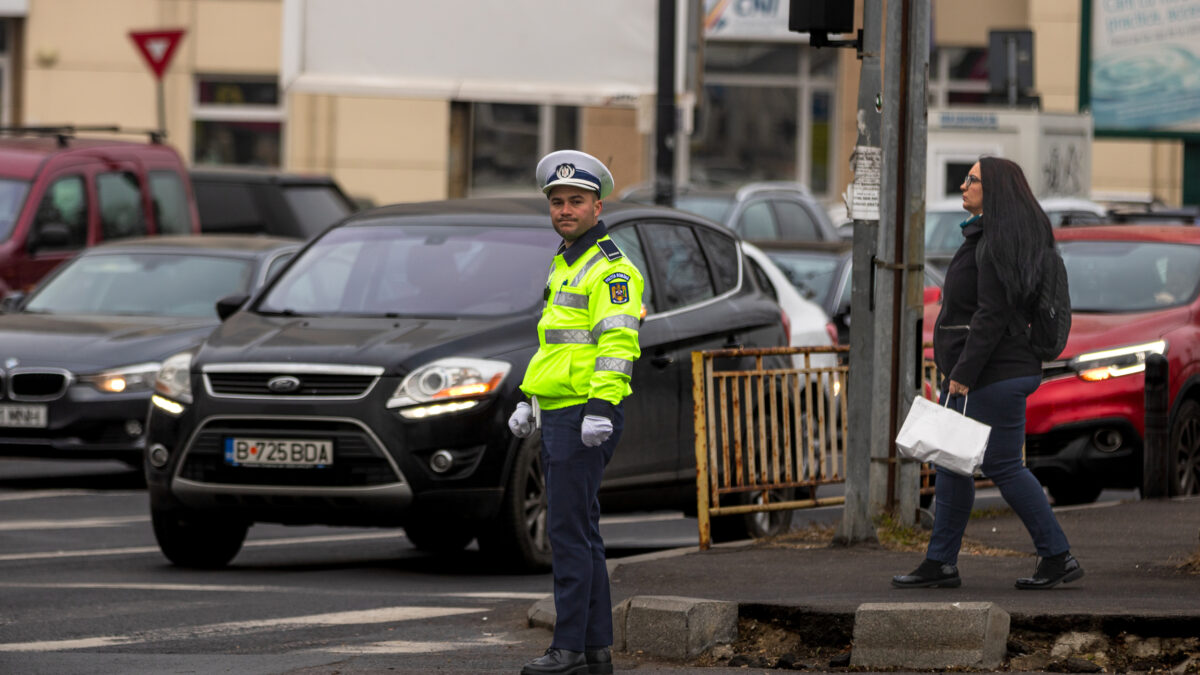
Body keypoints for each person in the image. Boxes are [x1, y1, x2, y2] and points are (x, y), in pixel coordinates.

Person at [892, 156, 1084, 591]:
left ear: (993, 190)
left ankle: (1056, 555)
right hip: (993, 371)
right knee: (953, 464)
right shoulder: (993, 237)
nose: (963, 185)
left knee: (1001, 464)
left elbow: (990, 316)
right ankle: (940, 562)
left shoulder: (993, 245)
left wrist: (962, 373)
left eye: (972, 180)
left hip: (991, 374)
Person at [509, 150, 644, 675]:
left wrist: (601, 407)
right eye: (557, 201)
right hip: (560, 412)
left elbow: (617, 345)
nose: (565, 209)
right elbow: (555, 344)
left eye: (576, 201)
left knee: (568, 534)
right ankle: (593, 649)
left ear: (597, 204)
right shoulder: (565, 261)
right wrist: (528, 397)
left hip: (584, 417)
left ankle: (566, 649)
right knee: (582, 532)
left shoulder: (612, 268)